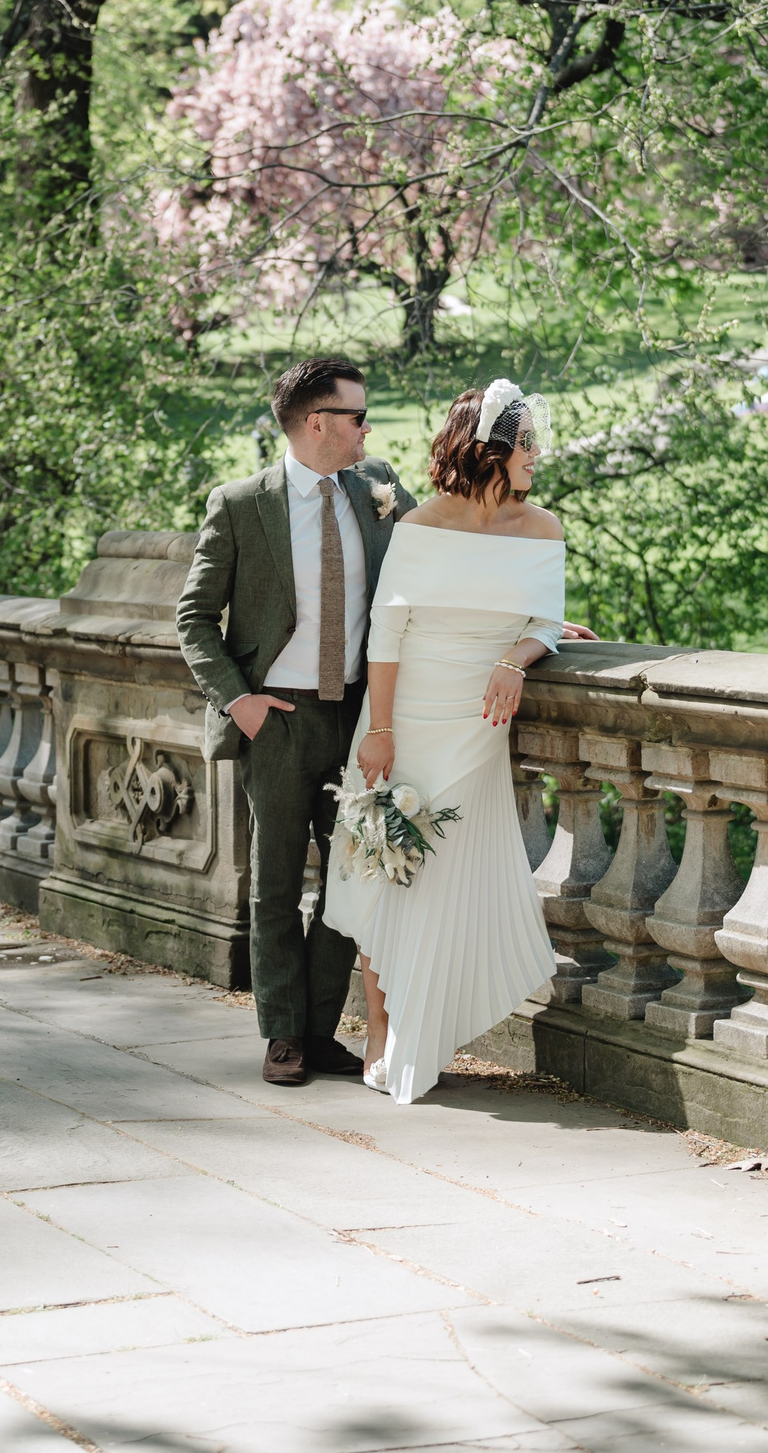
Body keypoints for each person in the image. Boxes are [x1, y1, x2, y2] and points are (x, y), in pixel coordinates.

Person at [324, 380, 582, 1103]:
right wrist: (378, 732)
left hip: (477, 728)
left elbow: (546, 621)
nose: (537, 455)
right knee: (384, 871)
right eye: (525, 442)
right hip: (404, 720)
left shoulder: (544, 529)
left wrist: (517, 657)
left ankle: (422, 1028)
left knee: (441, 877)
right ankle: (380, 1029)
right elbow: (387, 631)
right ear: (489, 449)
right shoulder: (420, 526)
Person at [176, 358, 414, 1087]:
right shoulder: (242, 503)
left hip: (355, 721)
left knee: (352, 883)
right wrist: (238, 701)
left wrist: (538, 620)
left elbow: (439, 568)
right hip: (275, 720)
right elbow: (193, 618)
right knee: (275, 883)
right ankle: (282, 1034)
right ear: (318, 423)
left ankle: (319, 1031)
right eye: (356, 416)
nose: (367, 428)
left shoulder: (381, 493)